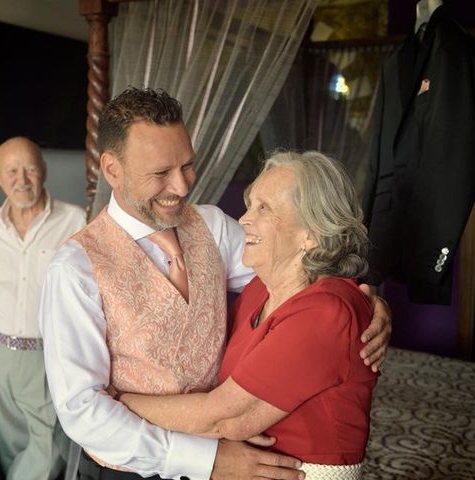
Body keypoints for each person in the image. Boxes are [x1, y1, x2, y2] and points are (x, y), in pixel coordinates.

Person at [39, 87, 390, 480]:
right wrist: (205, 460)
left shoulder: (212, 226)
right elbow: (81, 409)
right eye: (161, 173)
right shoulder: (74, 269)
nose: (182, 186)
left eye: (187, 165)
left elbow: (299, 267)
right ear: (112, 169)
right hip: (132, 469)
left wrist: (364, 299)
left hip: (228, 455)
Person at [118, 151, 377, 479]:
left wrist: (119, 400)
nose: (243, 219)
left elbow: (226, 418)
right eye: (250, 204)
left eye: (264, 208)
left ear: (311, 234)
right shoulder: (260, 289)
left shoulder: (326, 313)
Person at [0, 137, 86, 480]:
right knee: (5, 448)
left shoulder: (76, 221)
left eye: (30, 169)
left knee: (47, 451)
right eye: (11, 170)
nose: (21, 179)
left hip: (47, 355)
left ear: (44, 171)